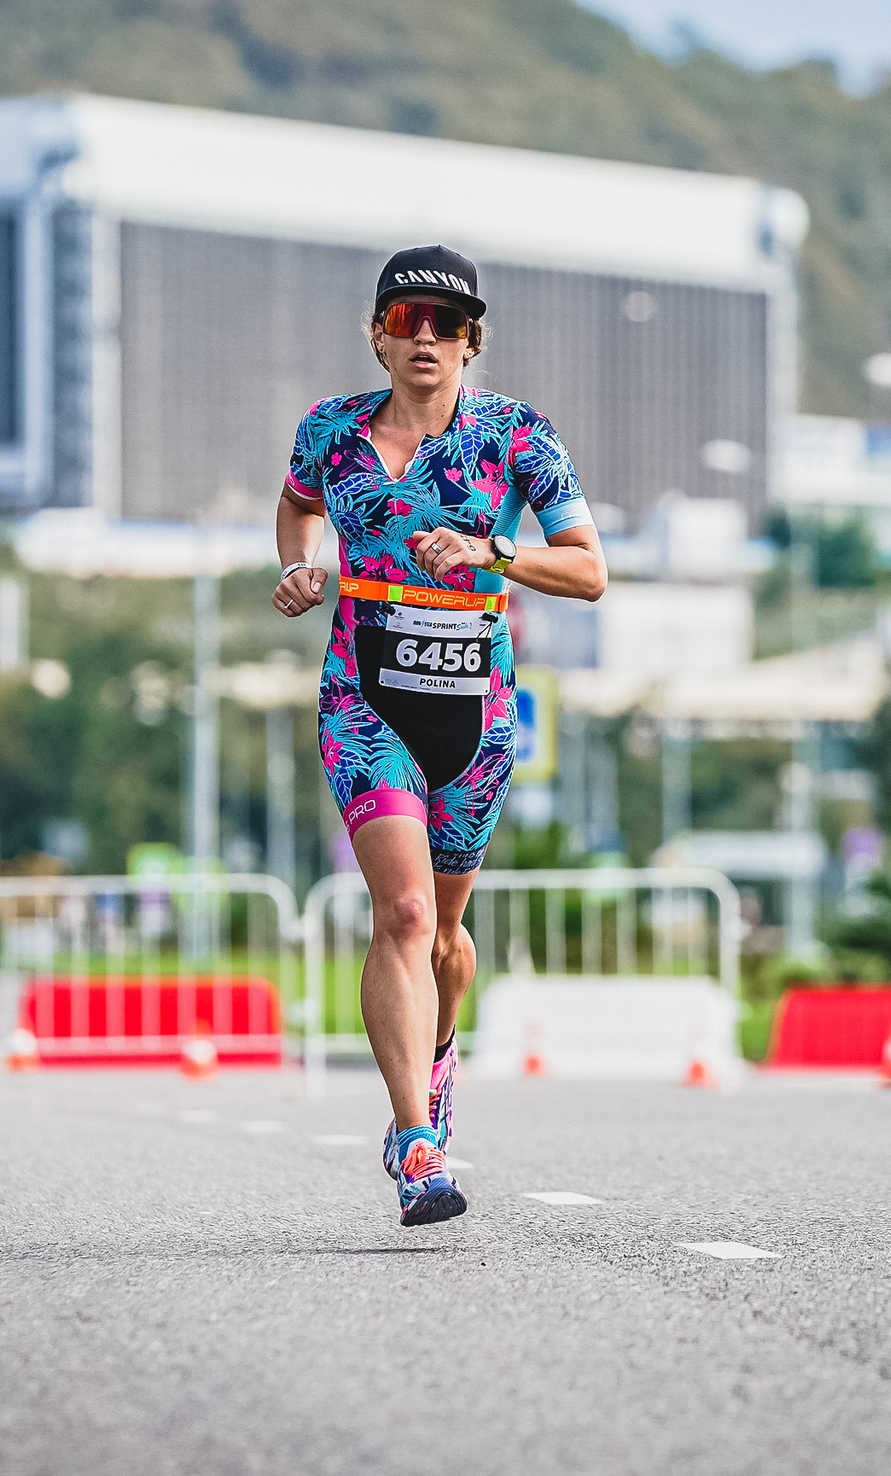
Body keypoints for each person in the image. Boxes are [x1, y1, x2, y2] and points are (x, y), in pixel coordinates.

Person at [276, 245, 606, 1227]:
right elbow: (295, 509)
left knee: (449, 936)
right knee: (406, 916)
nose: (427, 337)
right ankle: (416, 1140)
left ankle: (440, 1054)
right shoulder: (328, 433)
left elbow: (589, 572)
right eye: (408, 318)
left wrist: (493, 550)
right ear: (379, 334)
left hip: (475, 714)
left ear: (472, 342)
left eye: (448, 323)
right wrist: (297, 569)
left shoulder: (516, 437)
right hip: (364, 703)